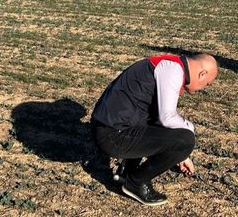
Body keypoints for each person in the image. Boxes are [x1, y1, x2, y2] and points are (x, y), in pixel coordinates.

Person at [90, 53, 218, 206]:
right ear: (202, 74)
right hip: (112, 136)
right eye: (207, 84)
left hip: (111, 128)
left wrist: (181, 156)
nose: (204, 88)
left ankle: (128, 172)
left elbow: (157, 119)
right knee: (186, 139)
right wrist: (190, 131)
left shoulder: (168, 65)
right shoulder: (173, 70)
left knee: (163, 127)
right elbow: (167, 118)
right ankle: (136, 182)